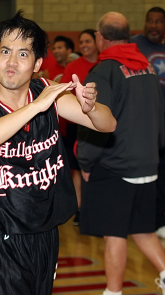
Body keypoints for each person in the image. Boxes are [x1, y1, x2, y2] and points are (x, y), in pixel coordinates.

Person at [0, 11, 116, 294]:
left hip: (45, 232)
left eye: (23, 54)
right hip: (0, 237)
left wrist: (91, 107)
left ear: (37, 63)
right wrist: (35, 107)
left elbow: (108, 125)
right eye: (5, 51)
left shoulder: (45, 92)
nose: (11, 62)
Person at [77, 12, 165, 295]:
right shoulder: (148, 67)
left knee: (114, 234)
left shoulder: (104, 71)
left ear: (101, 37)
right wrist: (155, 151)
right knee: (141, 228)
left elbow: (94, 121)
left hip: (116, 165)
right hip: (148, 163)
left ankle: (113, 292)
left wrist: (86, 161)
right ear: (129, 36)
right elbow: (161, 113)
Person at [130, 7, 165, 240]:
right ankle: (132, 218)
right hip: (140, 119)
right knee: (139, 171)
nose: (153, 25)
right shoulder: (133, 45)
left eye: (158, 22)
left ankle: (158, 220)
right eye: (150, 21)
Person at [61, 29, 99, 225]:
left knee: (97, 168)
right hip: (77, 125)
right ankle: (79, 210)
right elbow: (62, 93)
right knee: (77, 169)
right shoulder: (74, 66)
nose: (84, 45)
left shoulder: (105, 65)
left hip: (98, 123)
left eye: (88, 41)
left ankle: (97, 207)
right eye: (81, 42)